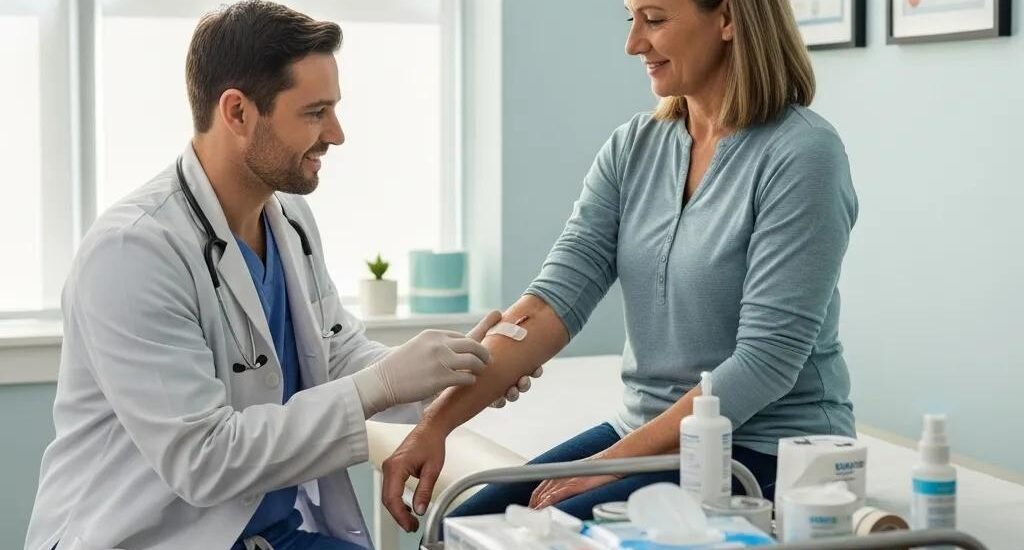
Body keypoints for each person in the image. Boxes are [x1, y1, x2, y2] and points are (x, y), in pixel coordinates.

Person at [22, 2, 534, 549]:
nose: (336, 134)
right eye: (315, 113)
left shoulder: (287, 218)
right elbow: (204, 461)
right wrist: (382, 384)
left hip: (273, 534)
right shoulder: (133, 253)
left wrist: (447, 377)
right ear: (238, 113)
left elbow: (336, 356)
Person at [381, 0, 859, 532]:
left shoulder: (803, 154)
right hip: (645, 430)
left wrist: (607, 466)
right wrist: (434, 424)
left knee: (536, 535)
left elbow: (765, 362)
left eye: (654, 20)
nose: (634, 43)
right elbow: (549, 305)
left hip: (764, 448)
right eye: (630, 18)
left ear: (728, 19)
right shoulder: (635, 147)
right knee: (457, 530)